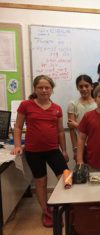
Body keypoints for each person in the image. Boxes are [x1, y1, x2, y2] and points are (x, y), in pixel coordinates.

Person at [11, 75, 69, 227]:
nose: (44, 90)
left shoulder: (57, 108)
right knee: (41, 182)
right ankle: (46, 211)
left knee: (67, 178)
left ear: (52, 89)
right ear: (35, 89)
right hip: (33, 151)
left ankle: (69, 207)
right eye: (40, 87)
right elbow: (17, 127)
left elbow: (60, 131)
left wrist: (64, 150)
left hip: (53, 150)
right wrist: (17, 145)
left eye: (47, 87)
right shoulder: (26, 105)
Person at [67, 75, 97, 161]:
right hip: (81, 146)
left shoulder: (98, 103)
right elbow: (71, 130)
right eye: (81, 86)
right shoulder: (72, 104)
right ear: (77, 88)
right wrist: (75, 149)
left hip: (96, 144)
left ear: (92, 87)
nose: (84, 89)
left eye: (86, 86)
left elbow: (97, 128)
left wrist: (76, 125)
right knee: (82, 172)